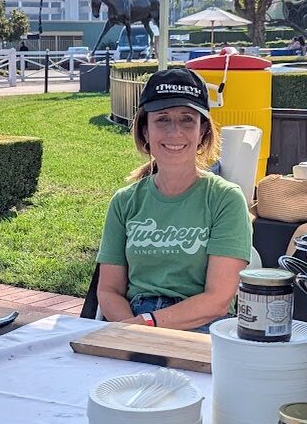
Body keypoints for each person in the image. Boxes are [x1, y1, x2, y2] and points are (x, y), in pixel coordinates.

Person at [96, 68, 252, 332]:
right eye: (163, 119)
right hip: (131, 321)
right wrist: (131, 332)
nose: (174, 131)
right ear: (145, 130)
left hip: (202, 324)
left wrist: (147, 325)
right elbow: (109, 290)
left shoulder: (225, 199)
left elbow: (218, 300)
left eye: (187, 119)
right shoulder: (124, 202)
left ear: (203, 131)